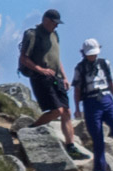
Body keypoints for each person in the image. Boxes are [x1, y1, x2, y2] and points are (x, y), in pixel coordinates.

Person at [17, 9, 77, 149]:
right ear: (46, 20)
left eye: (57, 24)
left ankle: (71, 146)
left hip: (57, 77)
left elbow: (56, 59)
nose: (56, 26)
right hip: (41, 77)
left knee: (66, 111)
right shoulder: (33, 35)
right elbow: (24, 58)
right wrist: (41, 70)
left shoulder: (55, 35)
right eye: (54, 23)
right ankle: (30, 130)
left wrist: (65, 77)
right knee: (57, 111)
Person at [73, 38, 113, 171]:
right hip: (90, 103)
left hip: (106, 100)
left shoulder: (105, 64)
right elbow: (77, 90)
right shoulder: (79, 68)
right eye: (90, 54)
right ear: (84, 54)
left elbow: (111, 84)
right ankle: (99, 168)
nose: (93, 56)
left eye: (95, 53)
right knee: (97, 136)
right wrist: (77, 109)